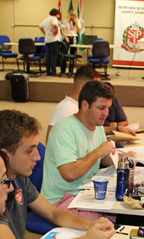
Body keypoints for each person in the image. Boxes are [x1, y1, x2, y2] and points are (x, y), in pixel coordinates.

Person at [0, 109, 115, 239]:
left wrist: (90, 225)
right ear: (4, 155)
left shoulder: (18, 177)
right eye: (29, 151)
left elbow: (54, 213)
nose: (38, 157)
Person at [41, 80, 117, 218]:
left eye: (108, 108)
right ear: (85, 105)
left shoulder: (97, 128)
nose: (106, 113)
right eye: (101, 108)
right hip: (60, 200)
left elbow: (104, 159)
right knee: (104, 223)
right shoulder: (64, 129)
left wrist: (123, 159)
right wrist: (97, 152)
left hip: (85, 194)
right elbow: (69, 174)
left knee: (124, 211)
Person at [46, 65, 101, 143]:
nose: (99, 93)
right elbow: (50, 141)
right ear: (83, 87)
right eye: (95, 89)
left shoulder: (88, 106)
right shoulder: (64, 108)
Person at [39, 8, 61, 76]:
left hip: (47, 40)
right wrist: (57, 32)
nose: (58, 16)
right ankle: (53, 72)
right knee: (53, 57)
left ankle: (48, 71)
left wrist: (45, 33)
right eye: (58, 14)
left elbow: (40, 27)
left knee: (48, 56)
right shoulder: (54, 19)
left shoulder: (46, 19)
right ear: (55, 14)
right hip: (53, 40)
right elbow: (55, 25)